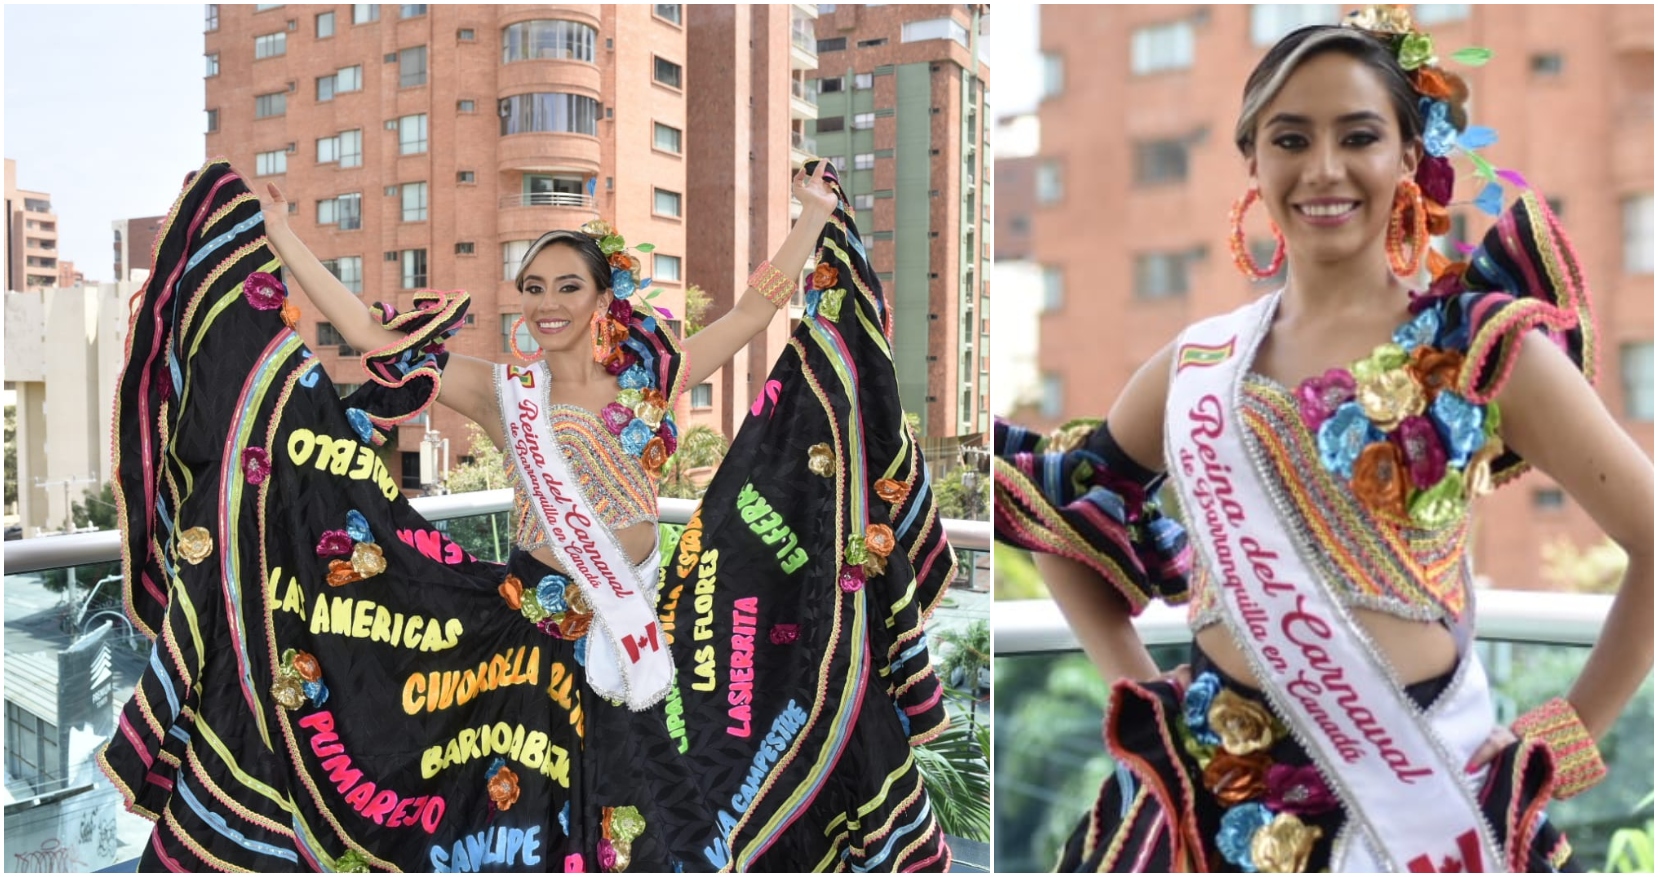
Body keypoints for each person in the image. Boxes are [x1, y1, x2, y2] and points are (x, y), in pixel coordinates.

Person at [98, 157, 957, 872]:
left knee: (665, 827)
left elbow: (752, 311)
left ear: (601, 296)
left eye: (567, 285)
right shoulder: (508, 392)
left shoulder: (649, 378)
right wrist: (281, 234)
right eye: (534, 287)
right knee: (537, 837)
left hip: (651, 633)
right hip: (533, 641)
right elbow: (366, 331)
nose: (547, 303)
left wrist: (810, 218)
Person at [994, 7, 1652, 873]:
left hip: (1433, 806)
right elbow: (1060, 509)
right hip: (1211, 816)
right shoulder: (1195, 366)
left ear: (1409, 157)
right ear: (1254, 163)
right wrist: (1149, 691)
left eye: (1359, 136)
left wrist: (1561, 739)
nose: (1325, 168)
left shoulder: (1481, 347)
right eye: (1292, 139)